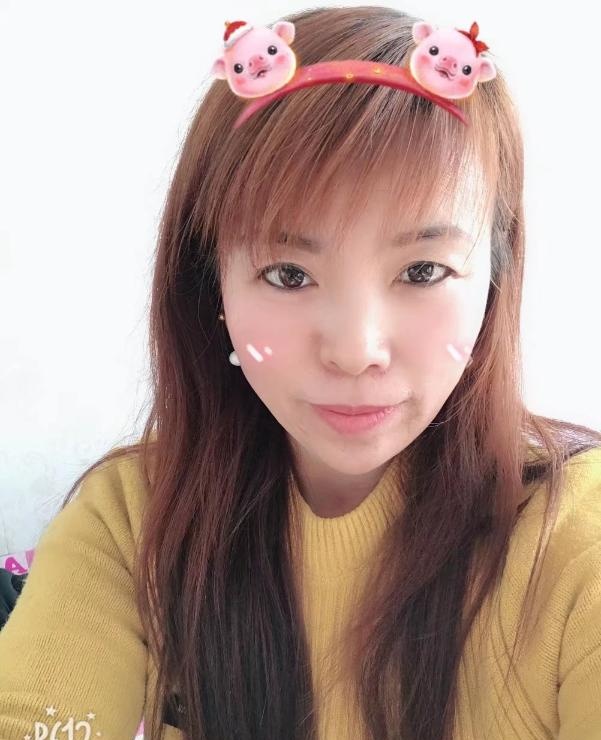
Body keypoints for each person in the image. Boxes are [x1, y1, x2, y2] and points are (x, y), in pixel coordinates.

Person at [1, 6, 601, 740]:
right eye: (288, 274)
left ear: (494, 283)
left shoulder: (575, 535)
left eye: (422, 270)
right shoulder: (135, 522)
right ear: (212, 288)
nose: (355, 350)